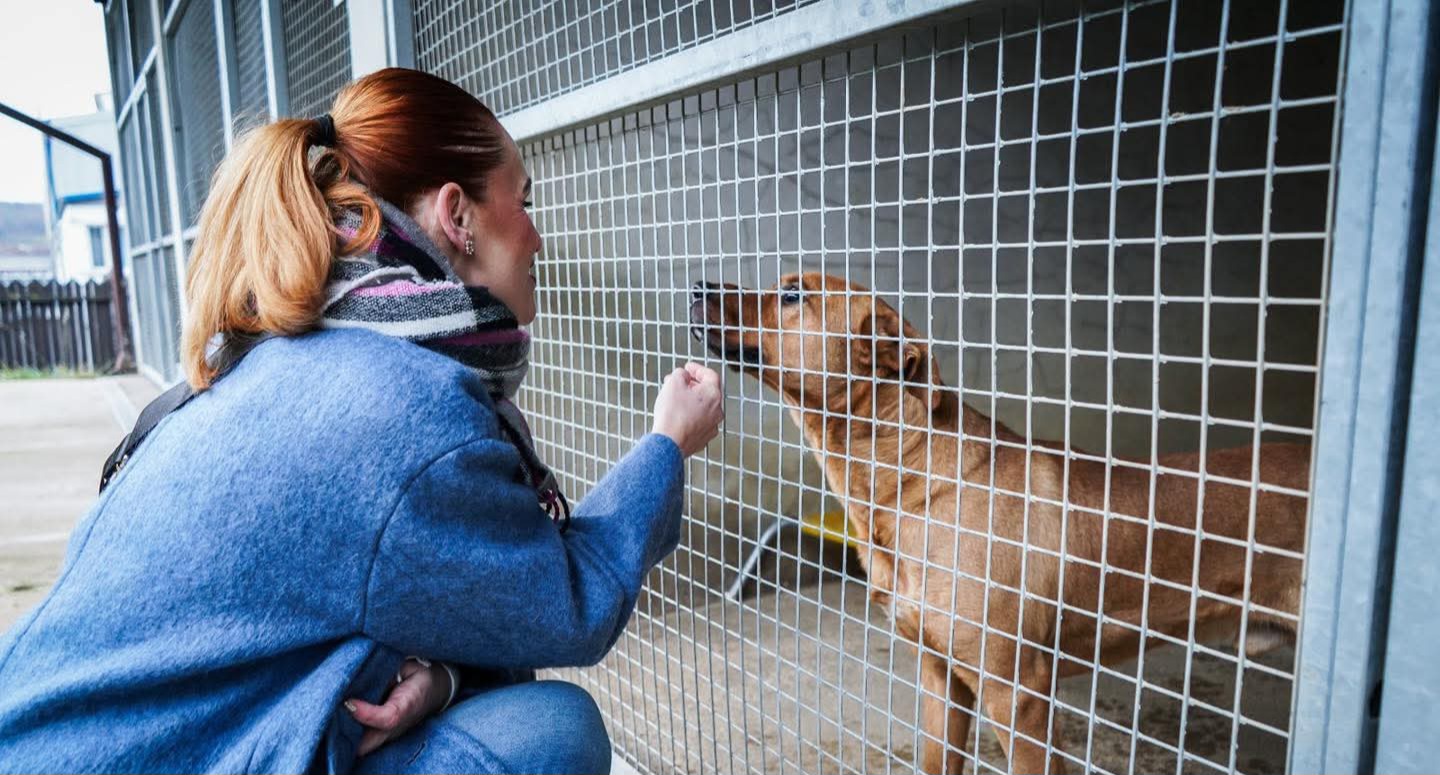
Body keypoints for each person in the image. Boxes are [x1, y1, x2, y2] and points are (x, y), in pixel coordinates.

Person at [0, 67, 724, 774]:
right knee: (555, 731)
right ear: (457, 216)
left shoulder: (279, 353)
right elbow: (570, 604)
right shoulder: (408, 405)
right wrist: (667, 444)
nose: (536, 236)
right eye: (523, 200)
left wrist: (443, 678)